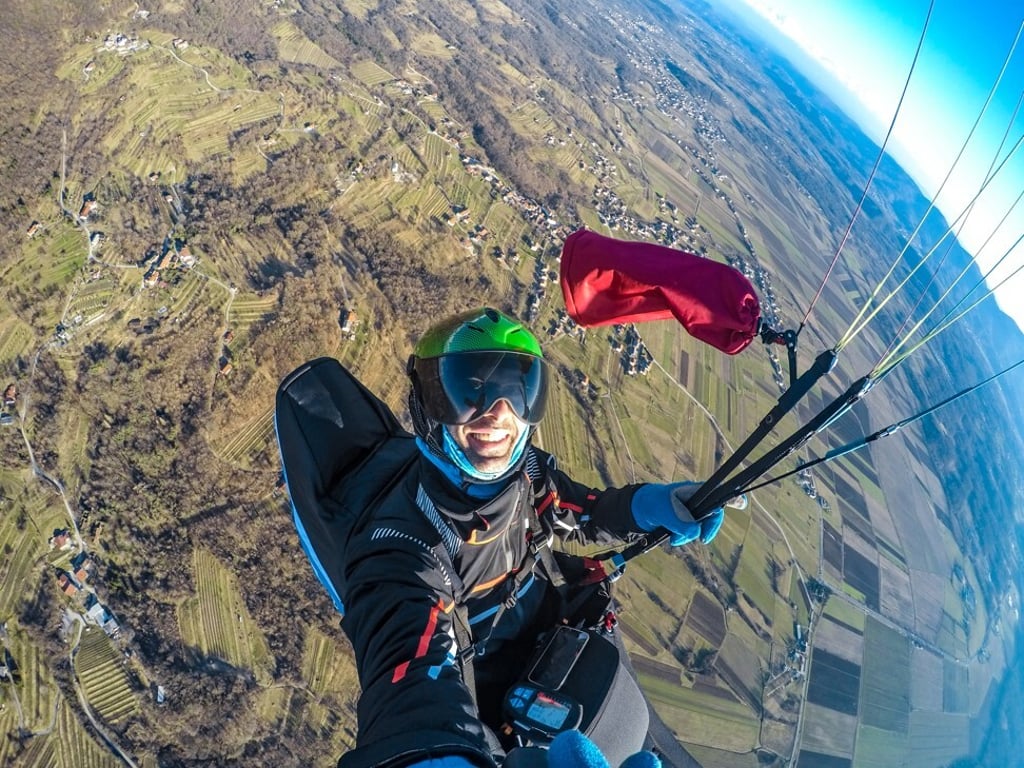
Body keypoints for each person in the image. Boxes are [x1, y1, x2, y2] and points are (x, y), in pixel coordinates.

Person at [330, 307, 724, 767]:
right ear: (428, 404)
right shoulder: (404, 546)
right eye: (469, 390)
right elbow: (409, 686)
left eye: (518, 393)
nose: (499, 413)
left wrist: (646, 505)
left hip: (556, 640)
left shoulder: (527, 473)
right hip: (497, 696)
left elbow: (583, 511)